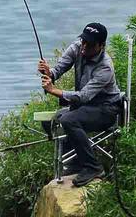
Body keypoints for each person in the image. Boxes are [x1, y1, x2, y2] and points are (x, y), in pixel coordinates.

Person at [37, 22, 122, 187]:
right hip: (85, 107)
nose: (84, 46)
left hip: (106, 109)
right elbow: (58, 70)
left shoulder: (105, 67)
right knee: (51, 121)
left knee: (69, 120)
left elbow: (83, 96)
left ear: (101, 46)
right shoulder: (77, 47)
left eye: (89, 44)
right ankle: (76, 162)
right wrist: (49, 72)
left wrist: (54, 90)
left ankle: (93, 167)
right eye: (83, 41)